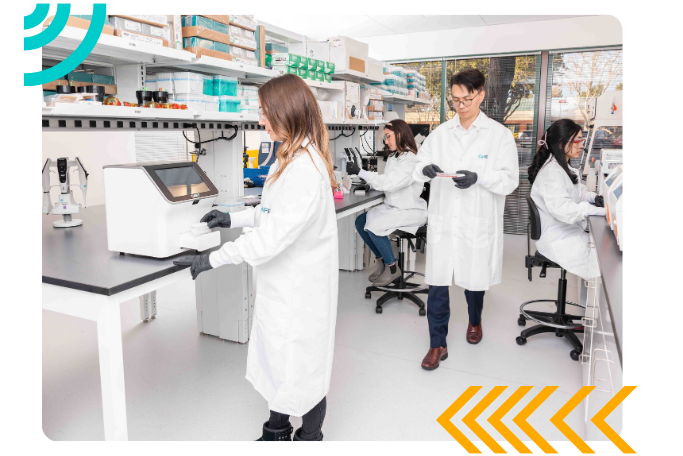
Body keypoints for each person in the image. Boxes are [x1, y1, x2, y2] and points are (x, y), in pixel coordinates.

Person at [174, 74, 339, 441]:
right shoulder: (292, 156)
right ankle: (276, 430)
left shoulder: (304, 170)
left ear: (285, 112)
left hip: (300, 290)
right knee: (283, 363)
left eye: (264, 113)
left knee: (303, 370)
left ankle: (309, 439)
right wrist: (232, 217)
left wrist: (212, 259)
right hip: (286, 285)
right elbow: (271, 213)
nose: (260, 120)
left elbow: (268, 239)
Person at [412, 68, 519, 370]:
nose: (460, 106)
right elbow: (417, 166)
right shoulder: (440, 134)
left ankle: (475, 320)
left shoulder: (499, 136)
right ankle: (437, 344)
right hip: (445, 221)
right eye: (455, 100)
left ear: (481, 94)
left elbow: (510, 181)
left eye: (467, 99)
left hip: (476, 220)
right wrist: (426, 170)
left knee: (474, 281)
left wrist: (479, 178)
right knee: (437, 282)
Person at [347, 119, 428, 286]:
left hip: (409, 209)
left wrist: (360, 171)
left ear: (400, 134)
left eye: (388, 136)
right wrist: (369, 184)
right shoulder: (396, 157)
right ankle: (382, 262)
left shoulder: (410, 160)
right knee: (360, 222)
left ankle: (392, 268)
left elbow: (390, 182)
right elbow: (386, 180)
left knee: (375, 225)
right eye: (385, 137)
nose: (386, 141)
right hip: (394, 207)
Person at [528, 119, 607, 280]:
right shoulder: (552, 173)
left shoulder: (563, 166)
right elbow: (564, 210)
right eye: (576, 140)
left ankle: (593, 302)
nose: (581, 145)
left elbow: (579, 191)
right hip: (558, 239)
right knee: (605, 259)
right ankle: (597, 303)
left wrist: (595, 197)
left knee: (602, 251)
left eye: (581, 140)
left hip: (568, 232)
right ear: (560, 143)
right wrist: (604, 211)